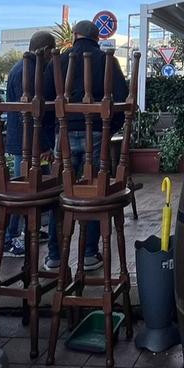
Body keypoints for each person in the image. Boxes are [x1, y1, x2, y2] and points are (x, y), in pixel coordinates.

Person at [64, 19, 129, 272]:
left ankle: (56, 256)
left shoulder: (60, 61)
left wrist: (52, 135)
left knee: (63, 190)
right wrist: (107, 129)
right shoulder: (108, 61)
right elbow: (124, 102)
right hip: (98, 137)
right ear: (98, 38)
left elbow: (44, 103)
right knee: (94, 191)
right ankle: (90, 253)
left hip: (64, 135)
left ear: (74, 35)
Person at [3, 31, 60, 269]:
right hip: (26, 142)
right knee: (22, 190)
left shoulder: (23, 66)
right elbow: (32, 112)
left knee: (25, 188)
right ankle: (10, 239)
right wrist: (45, 144)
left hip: (24, 140)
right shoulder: (29, 70)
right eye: (52, 51)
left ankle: (25, 232)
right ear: (46, 50)